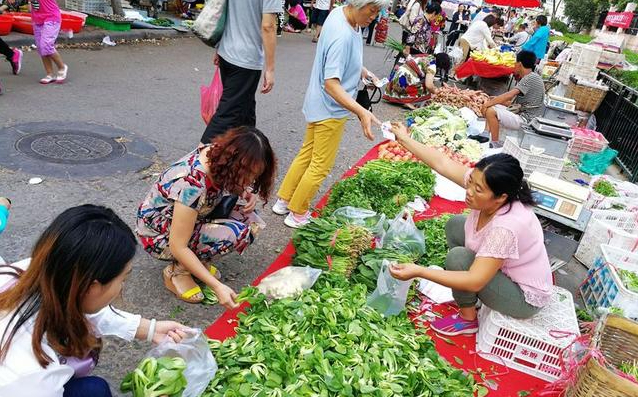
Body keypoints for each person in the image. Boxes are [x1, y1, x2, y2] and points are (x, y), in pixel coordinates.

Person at [0, 205, 188, 396]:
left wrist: (149, 329)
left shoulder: (37, 269)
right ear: (91, 286)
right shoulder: (31, 380)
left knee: (94, 389)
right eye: (123, 279)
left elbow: (79, 303)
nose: (122, 287)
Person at [387, 126, 553, 336]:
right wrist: (405, 139)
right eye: (471, 182)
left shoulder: (507, 225)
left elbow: (475, 280)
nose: (469, 191)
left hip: (522, 297)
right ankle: (470, 291)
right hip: (505, 269)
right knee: (456, 224)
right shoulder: (491, 189)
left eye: (478, 189)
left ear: (501, 197)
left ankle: (467, 319)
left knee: (458, 259)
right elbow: (442, 163)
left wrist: (419, 271)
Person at [271, 0, 389, 228]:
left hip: (318, 102)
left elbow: (341, 62)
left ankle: (284, 200)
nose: (374, 17)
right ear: (358, 3)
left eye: (378, 12)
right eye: (372, 10)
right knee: (320, 164)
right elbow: (331, 84)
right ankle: (298, 212)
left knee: (307, 153)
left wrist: (362, 73)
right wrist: (361, 111)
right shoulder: (342, 35)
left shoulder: (340, 15)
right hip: (330, 108)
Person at [137, 127, 275, 308]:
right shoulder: (192, 184)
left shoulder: (217, 153)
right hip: (157, 234)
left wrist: (247, 190)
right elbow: (177, 246)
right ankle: (177, 272)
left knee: (249, 219)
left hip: (190, 217)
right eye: (248, 175)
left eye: (254, 176)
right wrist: (217, 287)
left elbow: (228, 182)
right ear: (232, 164)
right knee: (235, 234)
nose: (250, 180)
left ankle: (197, 261)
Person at [199, 0, 281, 145]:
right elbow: (268, 26)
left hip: (227, 51)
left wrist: (219, 47)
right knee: (228, 114)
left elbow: (224, 11)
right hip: (245, 60)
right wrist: (270, 69)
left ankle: (248, 155)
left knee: (245, 111)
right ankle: (196, 161)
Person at [481, 51, 545, 141]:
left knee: (491, 111)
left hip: (526, 120)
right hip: (522, 114)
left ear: (519, 64)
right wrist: (496, 100)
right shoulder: (532, 77)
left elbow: (509, 95)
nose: (514, 65)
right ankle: (485, 134)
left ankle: (494, 143)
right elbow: (514, 103)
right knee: (493, 105)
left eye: (515, 62)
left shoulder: (530, 78)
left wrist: (487, 104)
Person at [383, 52, 450, 104]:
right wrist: (437, 92)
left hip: (398, 74)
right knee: (425, 89)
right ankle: (406, 100)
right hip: (406, 79)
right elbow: (429, 85)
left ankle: (398, 97)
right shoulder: (432, 66)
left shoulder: (429, 56)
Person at [30, 0, 67, 84]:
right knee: (40, 47)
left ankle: (62, 67)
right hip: (37, 19)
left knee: (46, 45)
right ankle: (49, 74)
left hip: (51, 17)